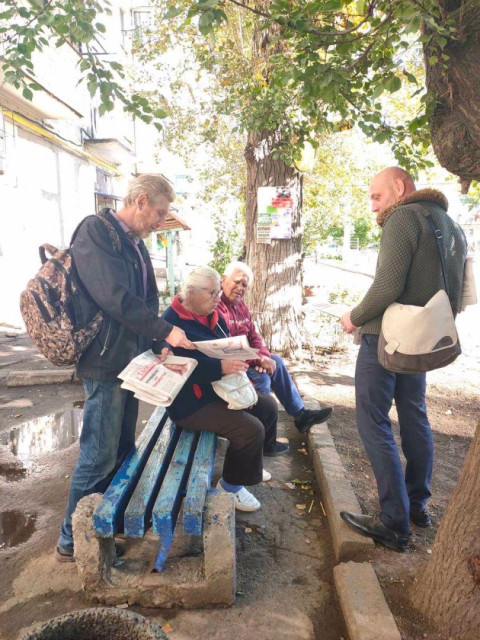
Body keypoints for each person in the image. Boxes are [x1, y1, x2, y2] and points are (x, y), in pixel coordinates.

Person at [56, 174, 194, 561]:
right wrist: (167, 331)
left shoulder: (133, 243)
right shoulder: (96, 232)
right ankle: (71, 539)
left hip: (129, 361)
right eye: (160, 212)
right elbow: (114, 297)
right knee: (97, 455)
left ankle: (105, 522)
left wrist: (157, 342)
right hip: (103, 362)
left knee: (120, 449)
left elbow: (146, 300)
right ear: (140, 200)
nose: (160, 221)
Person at [339, 166, 467, 552]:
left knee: (373, 420)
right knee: (414, 416)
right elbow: (459, 291)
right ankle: (417, 507)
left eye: (377, 196)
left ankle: (394, 521)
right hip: (423, 340)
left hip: (385, 339)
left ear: (399, 187)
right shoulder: (451, 226)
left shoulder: (402, 218)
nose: (373, 205)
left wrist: (354, 317)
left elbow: (388, 285)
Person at [162, 265, 288, 513]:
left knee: (268, 406)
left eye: (218, 292)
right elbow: (181, 369)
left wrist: (240, 357)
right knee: (251, 430)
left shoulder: (209, 313)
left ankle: (247, 463)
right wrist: (220, 367)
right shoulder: (171, 322)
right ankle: (228, 488)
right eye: (212, 294)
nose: (217, 299)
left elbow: (224, 342)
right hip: (191, 403)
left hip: (218, 388)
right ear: (190, 292)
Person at [217, 261, 333, 433]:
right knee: (263, 379)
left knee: (275, 361)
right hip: (229, 366)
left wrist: (263, 357)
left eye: (244, 285)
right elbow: (228, 347)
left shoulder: (241, 307)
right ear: (223, 280)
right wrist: (258, 360)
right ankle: (259, 436)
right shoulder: (217, 308)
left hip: (246, 360)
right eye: (237, 282)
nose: (240, 288)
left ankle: (300, 415)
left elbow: (254, 336)